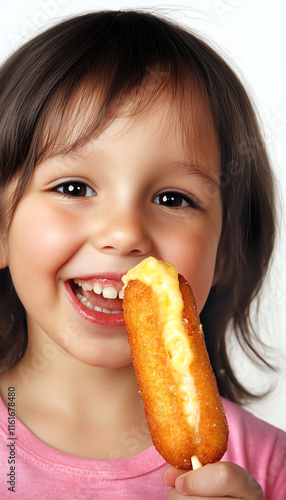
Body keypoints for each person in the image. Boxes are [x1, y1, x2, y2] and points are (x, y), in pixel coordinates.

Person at [0, 10, 285, 499]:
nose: (125, 232)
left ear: (228, 252)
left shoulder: (269, 467)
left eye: (174, 199)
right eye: (74, 186)